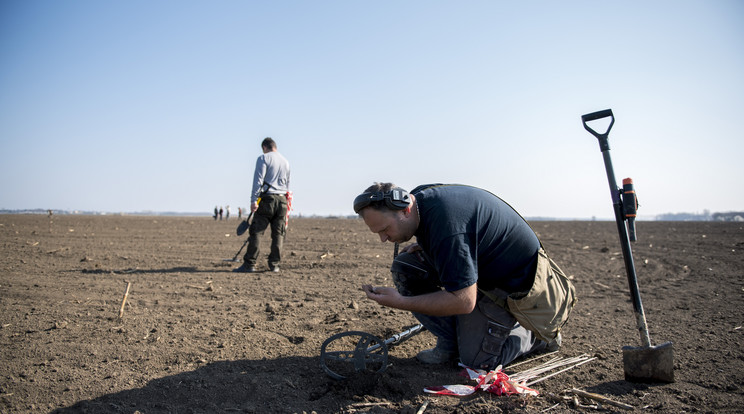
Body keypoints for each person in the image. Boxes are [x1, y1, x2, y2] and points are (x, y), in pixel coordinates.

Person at [355, 182, 562, 370]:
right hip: (482, 271)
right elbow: (464, 237)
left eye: (385, 229)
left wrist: (401, 301)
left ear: (405, 208)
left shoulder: (447, 226)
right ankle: (451, 342)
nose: (383, 239)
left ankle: (534, 336)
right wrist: (430, 246)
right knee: (408, 267)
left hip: (515, 289)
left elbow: (463, 301)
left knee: (476, 362)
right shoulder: (421, 200)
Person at [233, 137, 291, 273]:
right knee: (278, 234)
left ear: (265, 147)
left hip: (267, 199)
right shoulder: (286, 161)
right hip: (282, 200)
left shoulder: (263, 158)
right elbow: (288, 184)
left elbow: (258, 180)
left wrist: (253, 200)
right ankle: (275, 265)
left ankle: (249, 264)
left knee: (257, 232)